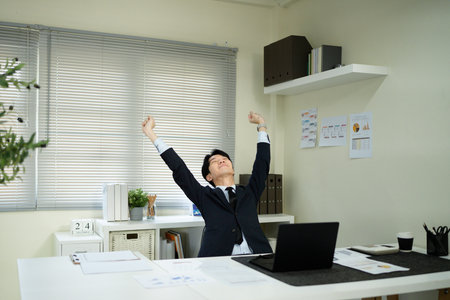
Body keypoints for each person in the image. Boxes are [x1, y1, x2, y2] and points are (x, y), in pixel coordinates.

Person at [142, 111, 272, 257]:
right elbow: (179, 168)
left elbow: (262, 163)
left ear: (233, 169)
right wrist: (150, 133)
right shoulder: (204, 196)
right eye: (215, 161)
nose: (221, 160)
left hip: (258, 259)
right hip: (219, 262)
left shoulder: (249, 193)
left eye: (225, 159)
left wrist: (262, 125)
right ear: (209, 176)